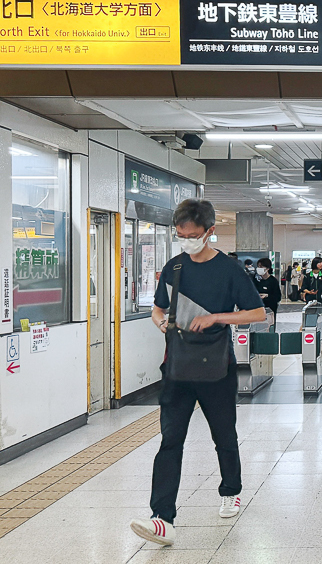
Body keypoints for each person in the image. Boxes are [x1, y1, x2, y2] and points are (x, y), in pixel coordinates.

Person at [129, 199, 266, 547]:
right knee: (170, 440)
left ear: (209, 232)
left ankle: (231, 490)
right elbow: (157, 310)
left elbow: (257, 314)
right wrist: (162, 323)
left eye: (193, 235)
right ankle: (162, 518)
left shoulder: (230, 270)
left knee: (223, 434)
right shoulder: (174, 268)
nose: (187, 241)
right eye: (181, 235)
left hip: (217, 366)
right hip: (178, 367)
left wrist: (216, 317)